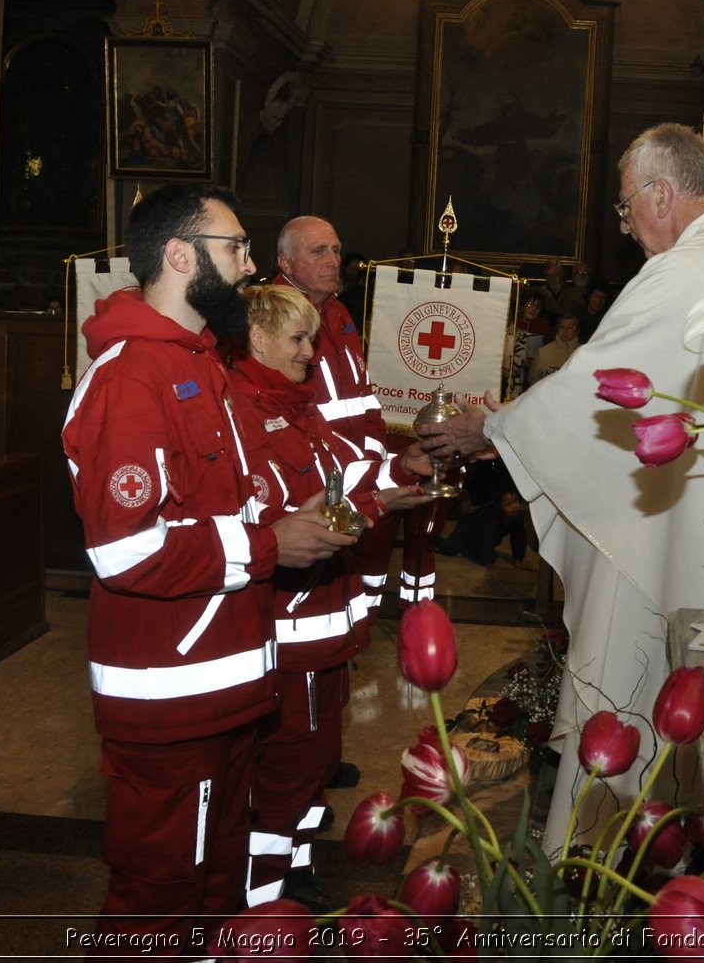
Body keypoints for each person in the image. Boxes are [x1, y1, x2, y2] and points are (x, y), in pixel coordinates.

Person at [416, 122, 704, 843]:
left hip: (700, 551)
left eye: (627, 206)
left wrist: (492, 428)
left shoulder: (685, 273)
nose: (628, 227)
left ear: (662, 192)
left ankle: (629, 862)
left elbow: (594, 392)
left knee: (656, 713)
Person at [62, 185, 357, 952]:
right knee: (159, 898)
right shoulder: (133, 377)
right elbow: (124, 548)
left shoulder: (198, 366)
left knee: (216, 886)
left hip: (226, 690)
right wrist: (269, 546)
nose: (252, 266)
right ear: (180, 256)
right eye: (237, 248)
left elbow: (217, 506)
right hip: (171, 699)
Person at [226, 285, 432, 911]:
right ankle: (264, 916)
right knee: (286, 776)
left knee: (311, 769)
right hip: (290, 639)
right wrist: (380, 502)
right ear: (257, 338)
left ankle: (297, 873)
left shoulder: (293, 406)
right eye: (297, 340)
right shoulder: (243, 414)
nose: (312, 354)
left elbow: (345, 469)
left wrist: (407, 466)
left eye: (313, 340)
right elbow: (289, 520)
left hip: (324, 636)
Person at [276, 216, 438, 610]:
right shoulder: (271, 317)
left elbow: (364, 397)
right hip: (308, 481)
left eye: (335, 249)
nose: (333, 260)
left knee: (349, 590)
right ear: (285, 263)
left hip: (358, 472)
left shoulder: (339, 313)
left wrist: (375, 457)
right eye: (318, 251)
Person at [436, 488, 530, 567]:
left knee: (479, 549)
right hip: (466, 528)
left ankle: (474, 551)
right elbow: (486, 539)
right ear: (498, 507)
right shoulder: (490, 517)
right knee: (448, 549)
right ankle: (432, 537)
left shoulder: (516, 517)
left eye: (516, 501)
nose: (514, 506)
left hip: (480, 535)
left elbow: (519, 537)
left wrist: (518, 558)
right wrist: (489, 561)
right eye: (508, 504)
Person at [534, 316, 581, 381]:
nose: (565, 330)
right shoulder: (543, 352)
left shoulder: (583, 353)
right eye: (562, 327)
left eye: (570, 327)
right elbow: (533, 379)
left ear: (577, 331)